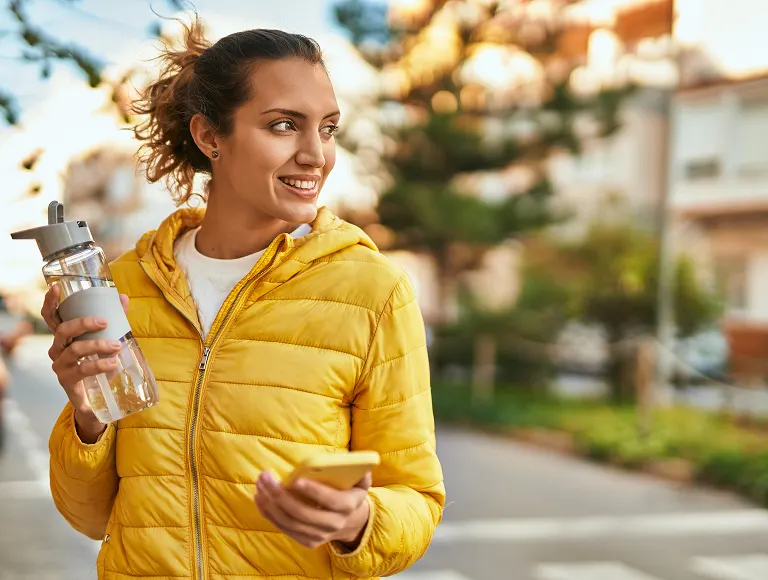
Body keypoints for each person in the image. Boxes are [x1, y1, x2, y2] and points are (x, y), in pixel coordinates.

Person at [41, 17, 445, 580]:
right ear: (210, 136)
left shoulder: (373, 291)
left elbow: (417, 500)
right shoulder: (126, 286)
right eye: (284, 125)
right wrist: (88, 413)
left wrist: (359, 521)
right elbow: (88, 516)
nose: (316, 155)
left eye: (327, 129)